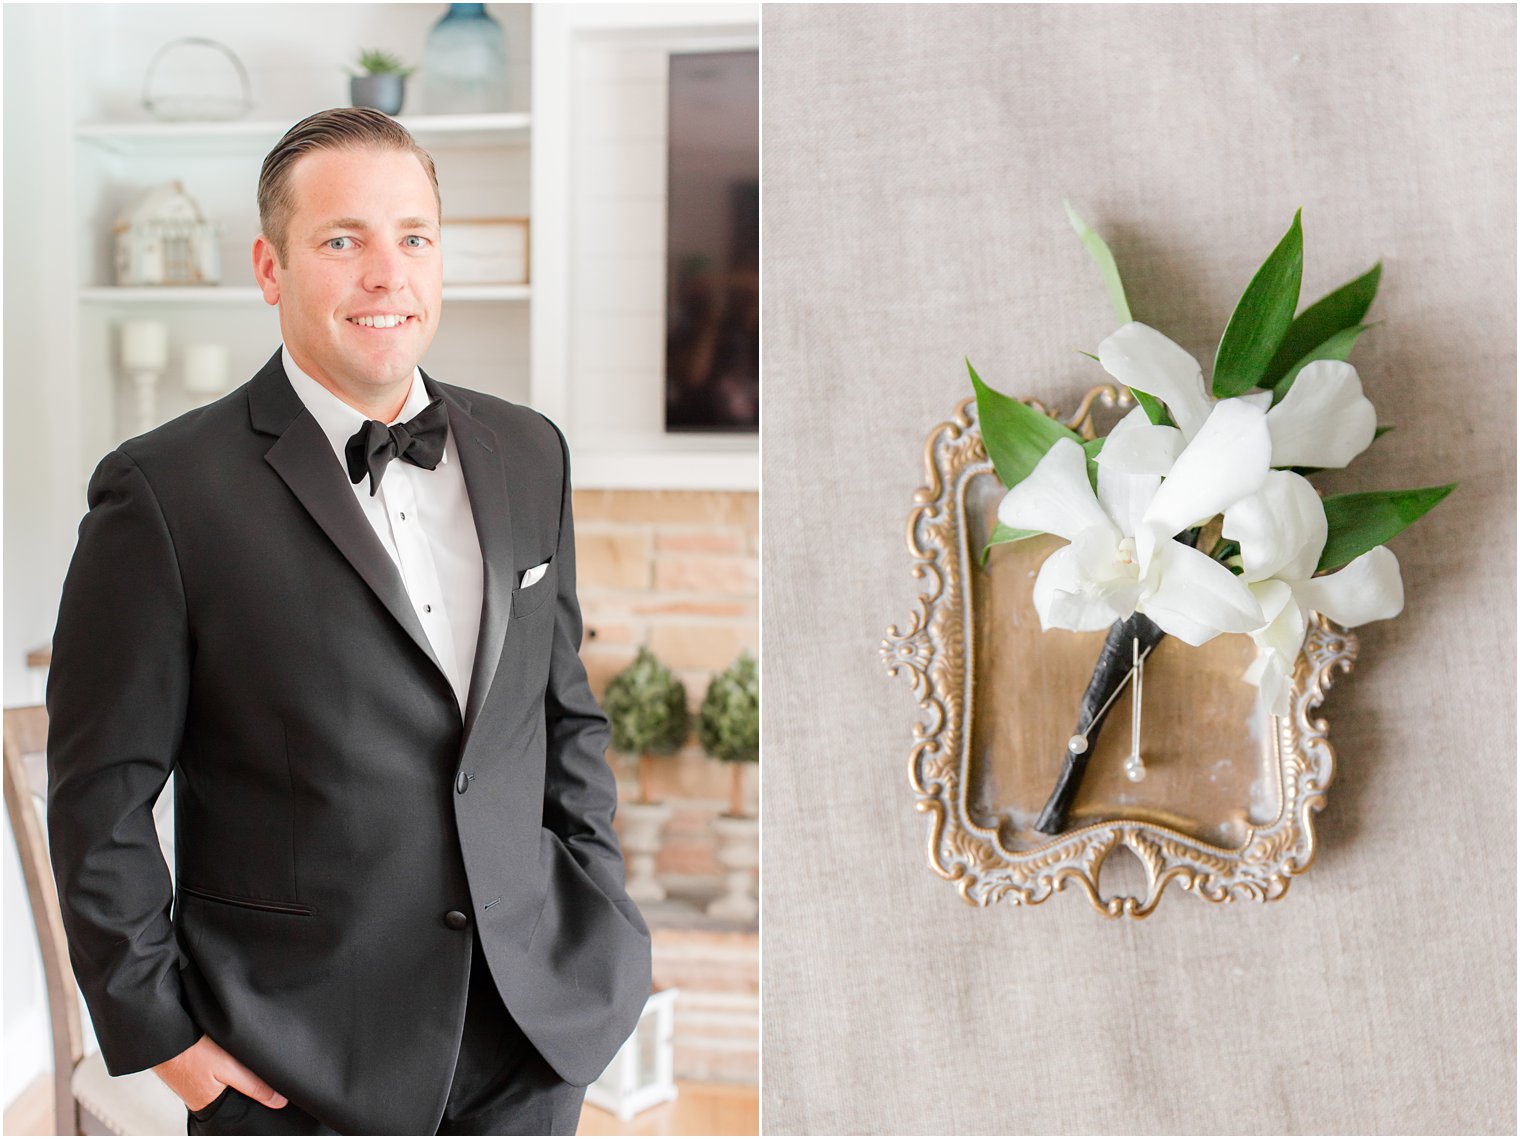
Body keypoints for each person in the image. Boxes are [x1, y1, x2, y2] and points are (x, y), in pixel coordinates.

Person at [45, 107, 652, 1136]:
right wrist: (172, 1044)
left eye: (413, 236)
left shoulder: (528, 451)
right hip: (294, 1067)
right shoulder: (161, 494)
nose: (387, 274)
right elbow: (100, 797)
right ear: (269, 267)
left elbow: (560, 716)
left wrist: (600, 919)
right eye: (342, 240)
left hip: (530, 1043)